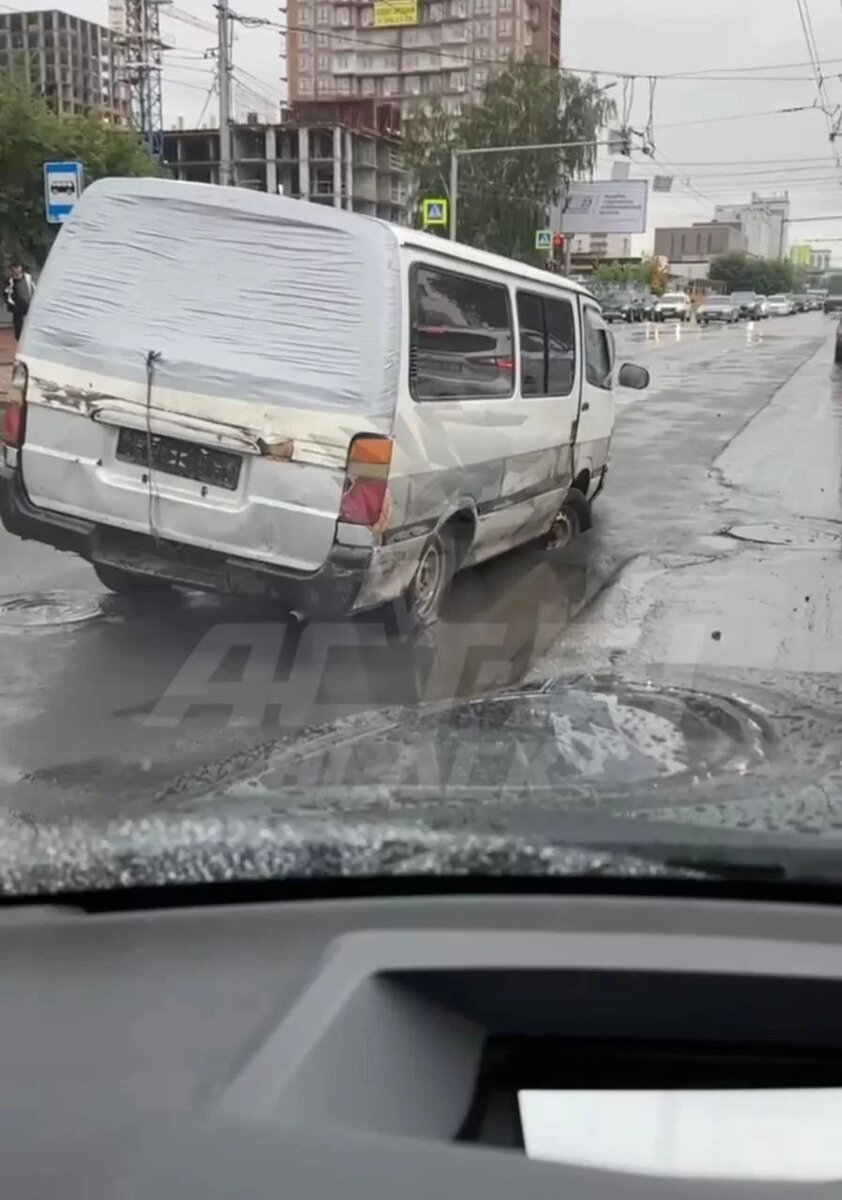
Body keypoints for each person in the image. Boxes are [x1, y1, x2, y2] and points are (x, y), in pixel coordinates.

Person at [3, 262, 35, 341]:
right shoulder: (9, 281)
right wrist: (13, 305)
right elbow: (6, 295)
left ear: (21, 267)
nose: (16, 269)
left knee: (31, 327)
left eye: (18, 267)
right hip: (17, 309)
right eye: (14, 267)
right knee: (18, 330)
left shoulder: (28, 277)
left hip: (29, 306)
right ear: (12, 269)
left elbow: (33, 288)